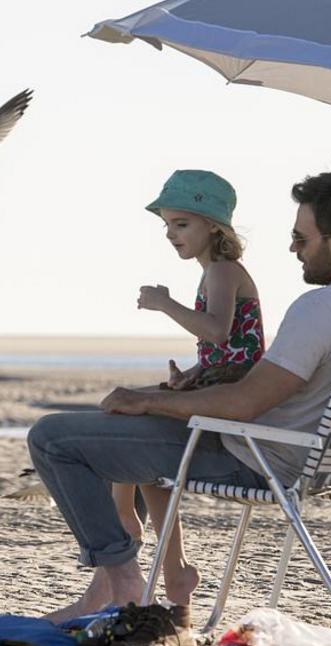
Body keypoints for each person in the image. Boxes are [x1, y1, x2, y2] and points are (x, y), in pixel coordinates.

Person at [27, 171, 331, 646]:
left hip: (257, 458)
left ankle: (121, 582)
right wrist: (179, 391)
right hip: (313, 462)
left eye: (300, 238)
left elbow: (244, 402)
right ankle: (155, 572)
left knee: (52, 438)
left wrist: (149, 399)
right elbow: (272, 388)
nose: (293, 248)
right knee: (141, 421)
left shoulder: (322, 308)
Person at [112, 169, 265, 543]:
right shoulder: (214, 272)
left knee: (120, 406)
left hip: (231, 392)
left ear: (213, 226)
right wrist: (195, 373)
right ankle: (161, 545)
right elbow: (230, 345)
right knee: (122, 409)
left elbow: (217, 330)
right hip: (219, 381)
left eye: (181, 224)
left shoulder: (223, 270)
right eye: (167, 225)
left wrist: (165, 304)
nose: (170, 234)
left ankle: (124, 515)